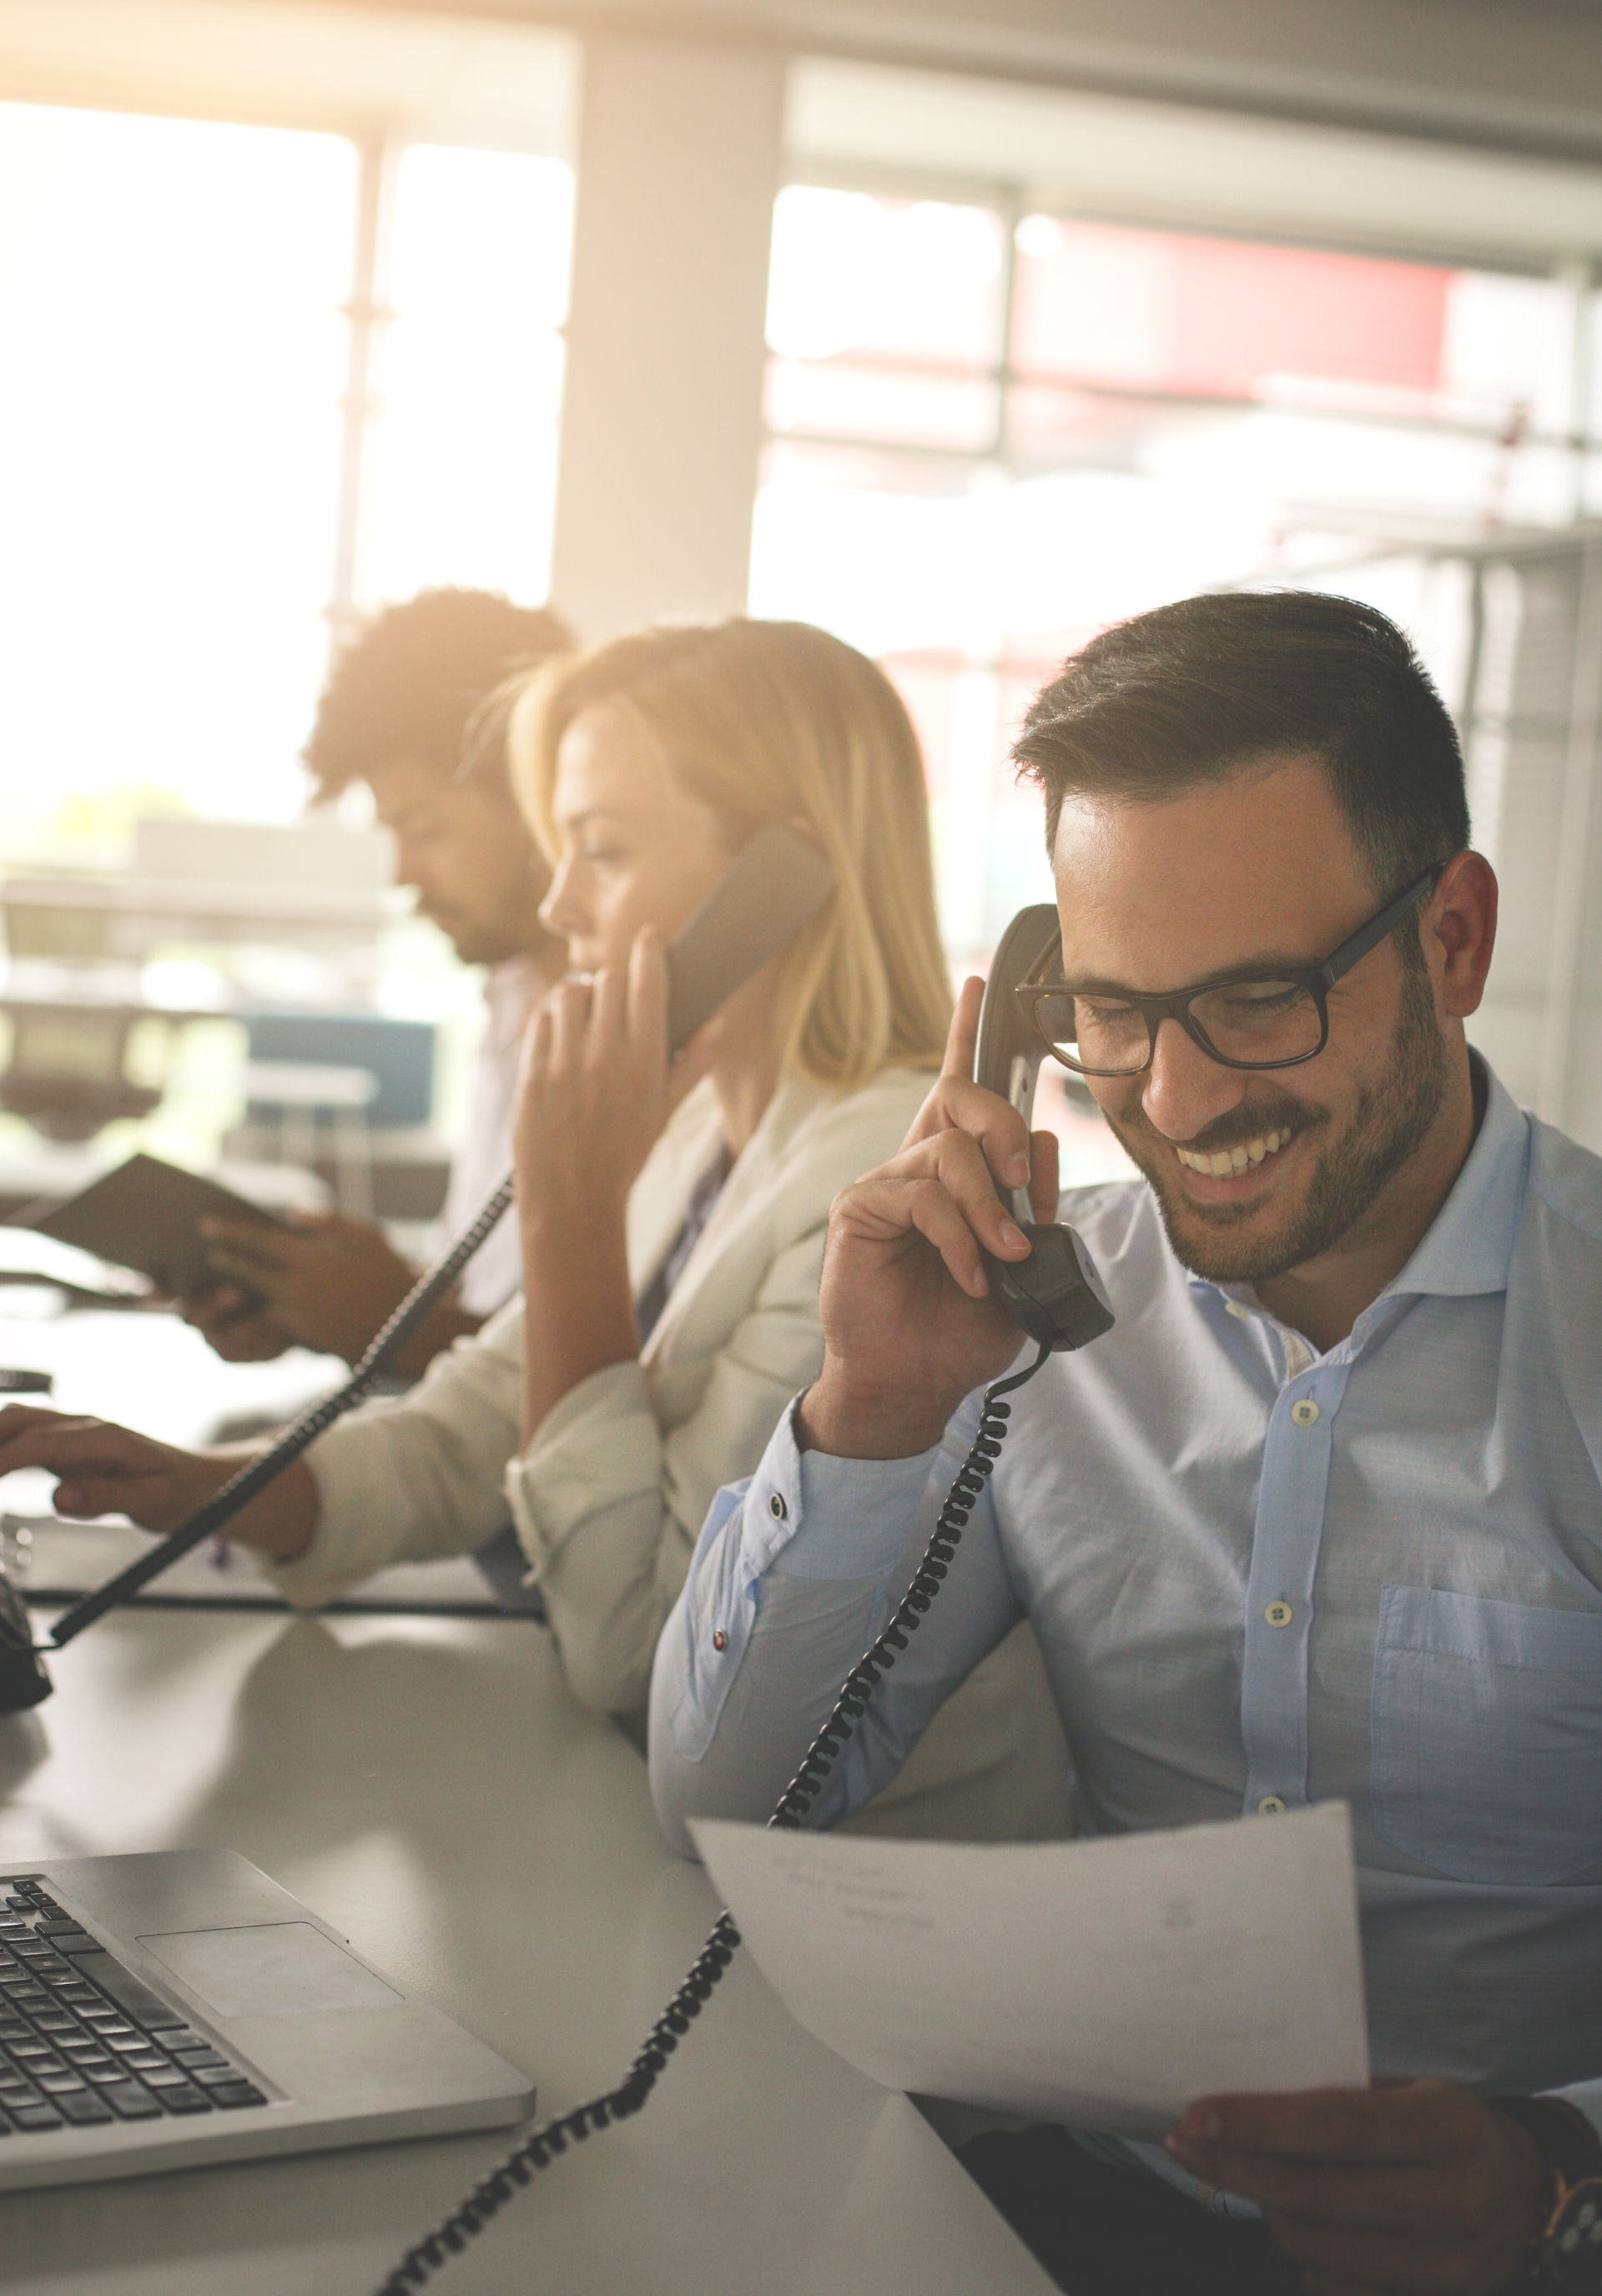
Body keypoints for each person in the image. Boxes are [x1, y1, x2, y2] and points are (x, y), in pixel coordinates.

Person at [650, 592, 1602, 2296]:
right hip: (1066, 2226)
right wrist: (870, 1414)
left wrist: (1559, 2176)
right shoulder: (1038, 1313)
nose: (1170, 1102)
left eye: (1257, 1000)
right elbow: (725, 1796)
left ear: (1451, 939)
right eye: (1110, 1013)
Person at [0, 619, 1071, 1835]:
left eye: (601, 851)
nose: (559, 904)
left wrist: (567, 1213)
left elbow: (636, 1643)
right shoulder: (698, 1130)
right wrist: (204, 1490)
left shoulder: (887, 1187)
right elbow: (467, 1437)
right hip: (639, 1822)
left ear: (785, 879)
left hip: (857, 1889)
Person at [186, 586, 572, 1379]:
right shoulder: (508, 996)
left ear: (541, 796)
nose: (402, 875)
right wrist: (336, 1302)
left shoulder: (669, 1043)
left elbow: (608, 1390)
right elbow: (491, 1301)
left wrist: (392, 1323)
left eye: (424, 829)